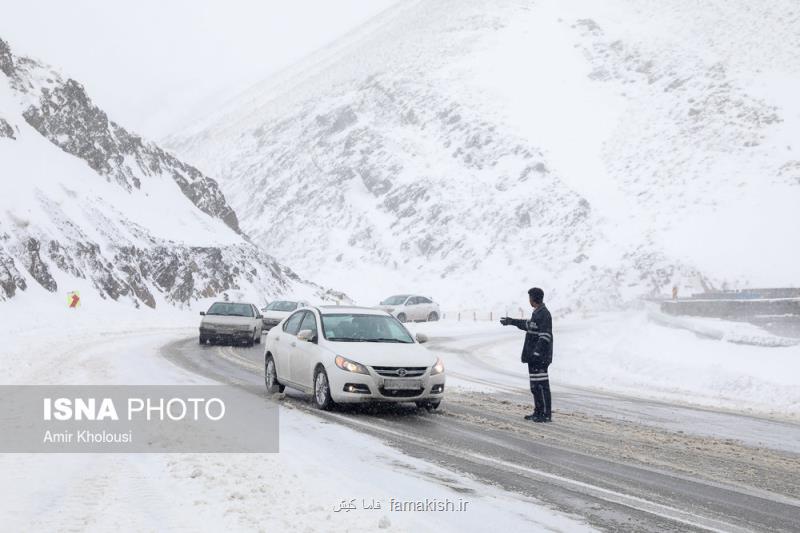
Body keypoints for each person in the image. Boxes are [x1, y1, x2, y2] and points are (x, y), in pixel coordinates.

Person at [500, 287, 553, 422]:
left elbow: (545, 337)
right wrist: (511, 321)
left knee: (542, 386)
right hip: (534, 358)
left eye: (530, 297)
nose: (529, 300)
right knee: (535, 387)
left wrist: (536, 352)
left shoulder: (544, 314)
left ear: (534, 299)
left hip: (540, 358)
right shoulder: (537, 313)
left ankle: (545, 414)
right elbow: (527, 325)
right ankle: (538, 412)